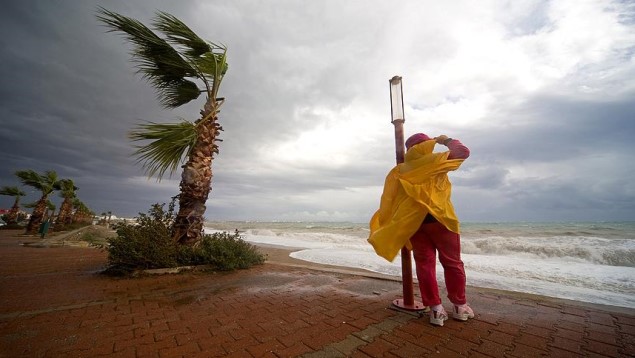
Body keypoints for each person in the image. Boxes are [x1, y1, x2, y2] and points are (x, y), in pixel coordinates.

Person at [367, 132, 473, 327]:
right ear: (427, 144)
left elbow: (391, 198)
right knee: (453, 263)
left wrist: (391, 222)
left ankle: (436, 310)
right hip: (441, 220)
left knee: (425, 265)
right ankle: (460, 306)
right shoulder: (434, 160)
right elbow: (463, 152)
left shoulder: (400, 170)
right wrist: (445, 140)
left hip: (414, 224)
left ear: (409, 150)